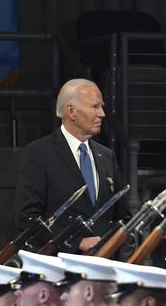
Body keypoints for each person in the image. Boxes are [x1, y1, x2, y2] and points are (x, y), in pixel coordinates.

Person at [14, 79, 129, 253]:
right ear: (71, 111)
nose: (102, 113)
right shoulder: (39, 153)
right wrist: (76, 242)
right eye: (95, 107)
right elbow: (27, 218)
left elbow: (122, 216)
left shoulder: (106, 156)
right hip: (58, 266)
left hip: (103, 267)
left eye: (102, 106)